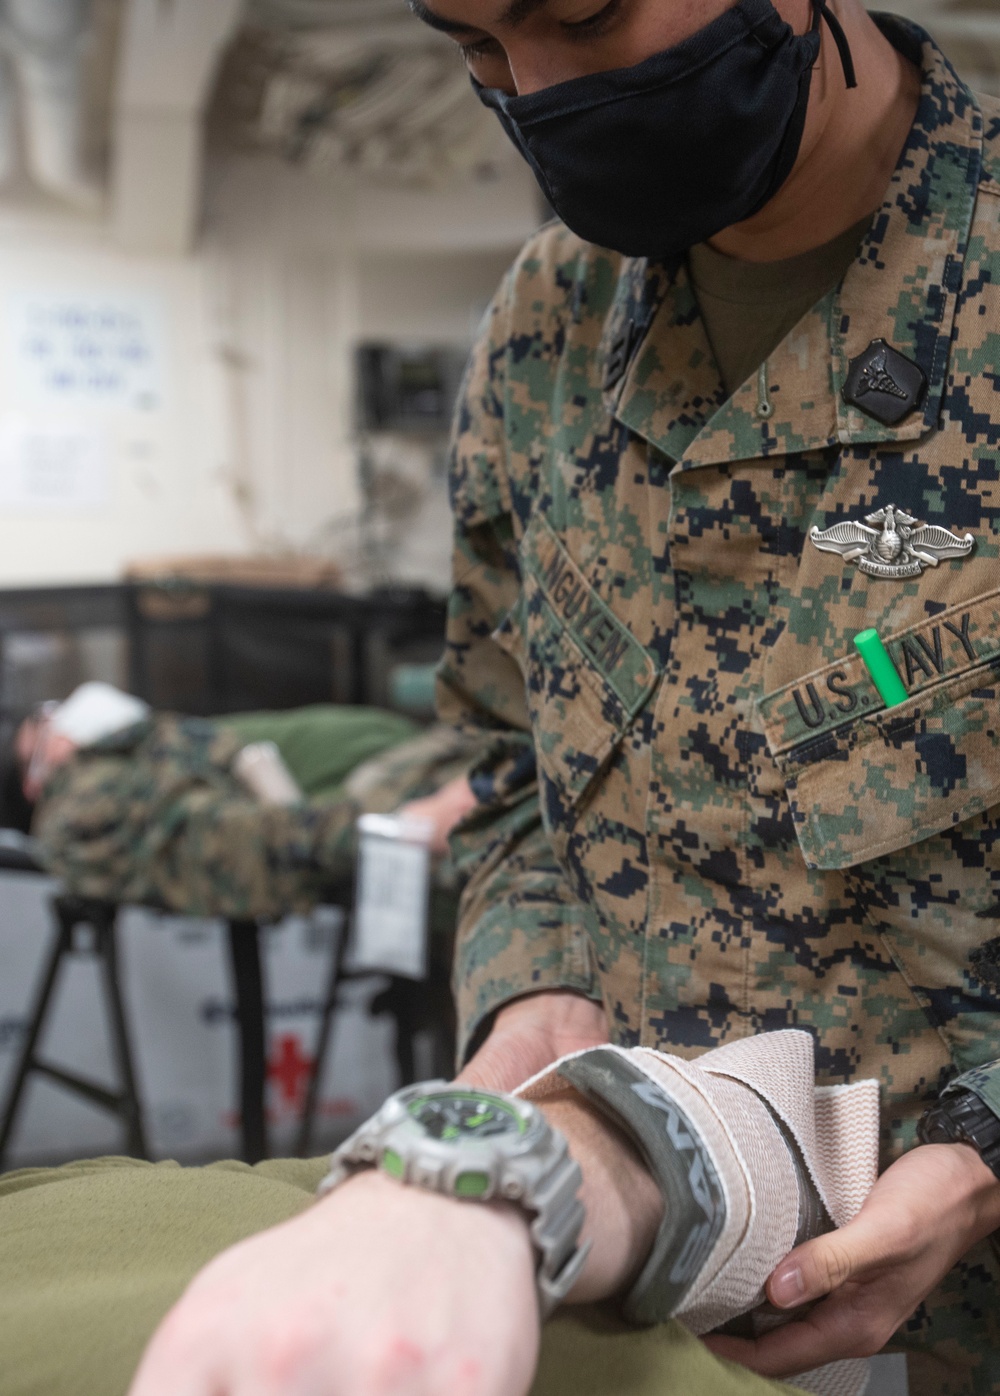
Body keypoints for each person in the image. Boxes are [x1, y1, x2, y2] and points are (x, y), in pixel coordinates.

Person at [3, 0, 1000, 1393]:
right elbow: (498, 765)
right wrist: (527, 989)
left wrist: (982, 1152)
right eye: (476, 48)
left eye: (578, 14)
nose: (535, 91)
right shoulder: (552, 327)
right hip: (627, 1295)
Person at [7, 682, 482, 919]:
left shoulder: (106, 766)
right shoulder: (86, 806)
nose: (61, 723)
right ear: (32, 782)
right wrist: (406, 828)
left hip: (387, 782)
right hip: (367, 832)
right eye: (46, 732)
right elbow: (238, 840)